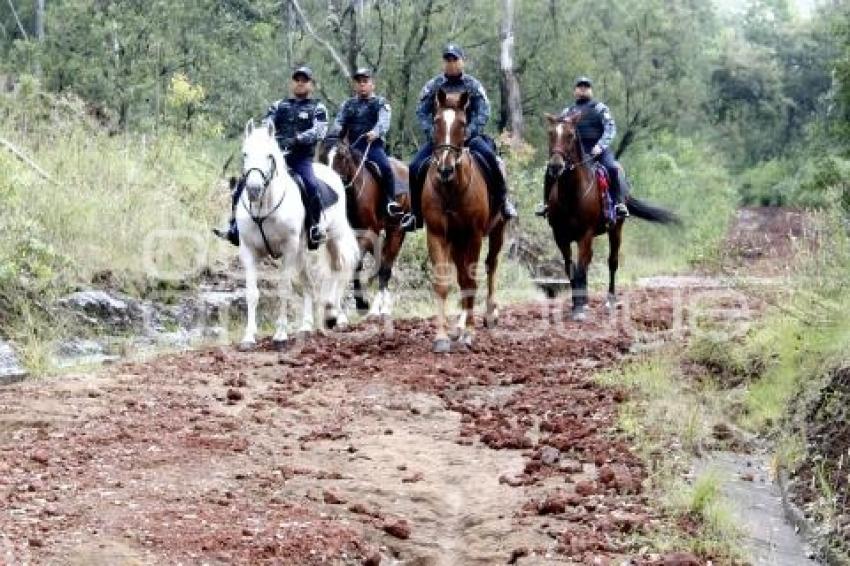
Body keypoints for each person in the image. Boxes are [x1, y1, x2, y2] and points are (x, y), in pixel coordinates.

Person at [214, 65, 330, 247]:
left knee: (312, 185)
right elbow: (267, 123)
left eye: (304, 80)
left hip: (300, 159)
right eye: (297, 80)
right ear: (292, 83)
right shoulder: (278, 106)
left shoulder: (318, 108)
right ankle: (234, 226)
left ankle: (314, 228)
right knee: (241, 185)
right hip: (274, 159)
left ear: (311, 85)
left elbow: (320, 131)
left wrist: (299, 138)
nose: (300, 84)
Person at [407, 44, 517, 230]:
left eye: (455, 60)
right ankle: (416, 214)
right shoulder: (433, 86)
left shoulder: (472, 85)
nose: (451, 64)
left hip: (470, 138)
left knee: (492, 160)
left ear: (462, 61)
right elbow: (421, 112)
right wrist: (432, 132)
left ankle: (503, 203)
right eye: (447, 60)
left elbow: (484, 111)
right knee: (414, 166)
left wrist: (469, 131)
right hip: (440, 140)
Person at [328, 67, 414, 229]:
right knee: (334, 170)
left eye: (365, 81)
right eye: (359, 82)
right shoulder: (348, 105)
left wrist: (376, 131)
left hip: (372, 147)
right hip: (351, 148)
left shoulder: (380, 103)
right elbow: (339, 121)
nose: (362, 85)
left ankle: (390, 202)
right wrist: (336, 132)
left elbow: (384, 121)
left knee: (386, 168)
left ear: (372, 84)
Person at [537, 76, 628, 219]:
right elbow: (559, 129)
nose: (583, 89)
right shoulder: (568, 111)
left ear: (591, 90)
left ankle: (618, 204)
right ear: (575, 91)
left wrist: (600, 145)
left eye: (586, 86)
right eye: (580, 86)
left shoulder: (600, 108)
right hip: (575, 151)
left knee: (612, 168)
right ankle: (546, 204)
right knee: (550, 170)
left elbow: (611, 128)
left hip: (598, 149)